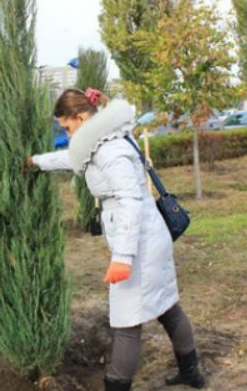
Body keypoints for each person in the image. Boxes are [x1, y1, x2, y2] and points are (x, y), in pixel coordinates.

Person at [28, 88, 205, 391]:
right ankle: (191, 373)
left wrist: (122, 258)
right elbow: (73, 159)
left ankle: (118, 385)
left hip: (139, 245)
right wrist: (36, 162)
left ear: (81, 118)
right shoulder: (103, 140)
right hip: (147, 237)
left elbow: (129, 202)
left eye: (67, 127)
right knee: (166, 306)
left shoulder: (111, 150)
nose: (67, 134)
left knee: (126, 322)